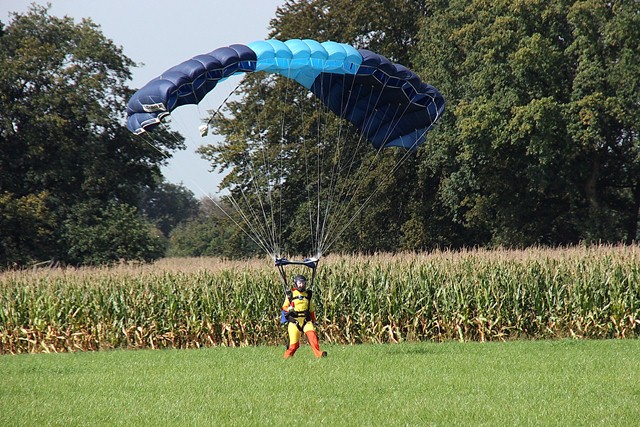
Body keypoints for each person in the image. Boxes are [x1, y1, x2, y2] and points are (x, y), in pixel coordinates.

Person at [282, 274, 327, 358]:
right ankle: (286, 357)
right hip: (294, 321)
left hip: (306, 321)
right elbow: (284, 307)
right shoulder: (291, 295)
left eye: (303, 283)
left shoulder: (308, 295)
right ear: (296, 283)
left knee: (312, 336)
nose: (301, 285)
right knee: (294, 346)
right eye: (299, 283)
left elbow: (311, 310)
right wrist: (288, 309)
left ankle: (319, 354)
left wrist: (314, 320)